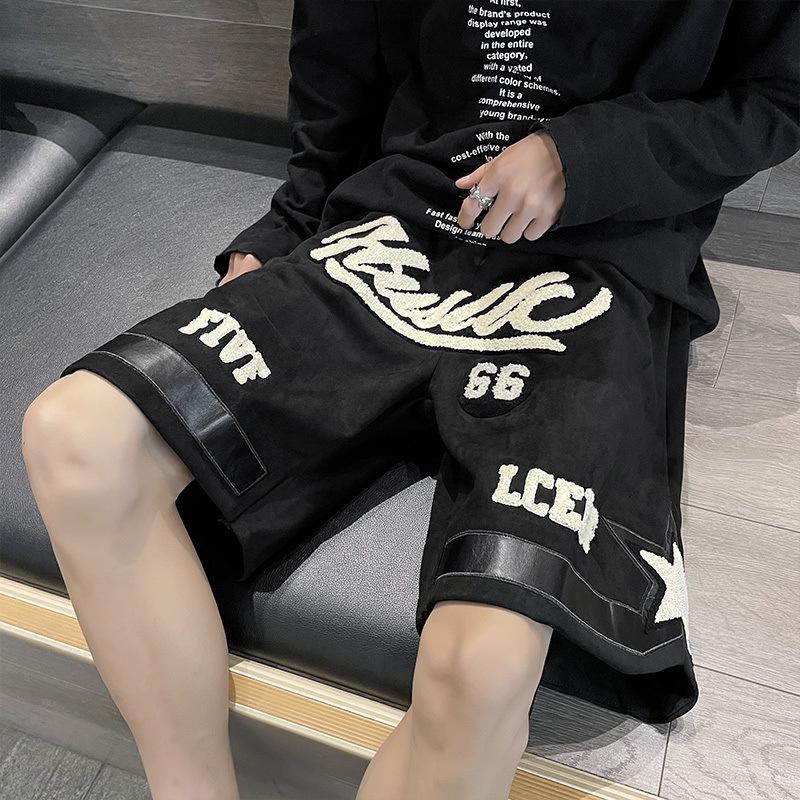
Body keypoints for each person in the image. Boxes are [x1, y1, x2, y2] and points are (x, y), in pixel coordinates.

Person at [21, 1, 799, 798]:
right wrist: (286, 227)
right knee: (79, 436)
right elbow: (338, 56)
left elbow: (779, 95)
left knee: (483, 663)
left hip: (605, 261)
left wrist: (582, 155)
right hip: (402, 221)